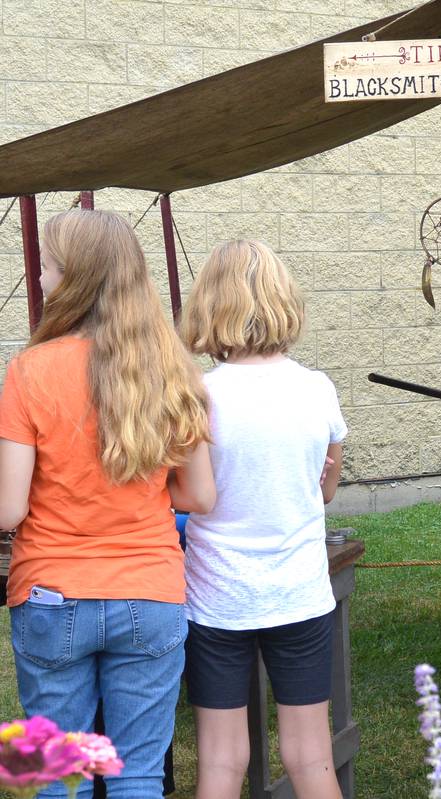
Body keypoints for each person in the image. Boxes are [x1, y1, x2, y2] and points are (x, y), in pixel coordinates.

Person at [0, 209, 215, 797]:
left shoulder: (28, 372)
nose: (39, 280)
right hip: (150, 591)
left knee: (52, 775)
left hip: (50, 593)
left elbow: (7, 510)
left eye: (46, 267)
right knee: (138, 774)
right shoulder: (174, 371)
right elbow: (199, 495)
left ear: (74, 278)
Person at [179, 240, 346, 799]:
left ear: (209, 305)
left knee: (221, 761)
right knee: (311, 753)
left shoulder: (198, 394)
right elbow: (324, 490)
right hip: (298, 590)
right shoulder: (316, 388)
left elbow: (189, 491)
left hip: (216, 593)